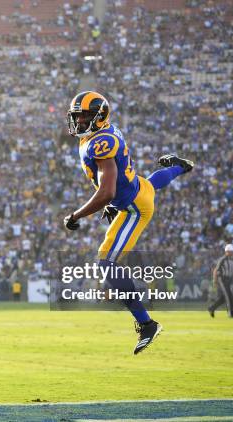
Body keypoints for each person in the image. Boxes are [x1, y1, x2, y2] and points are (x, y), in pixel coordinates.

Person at [63, 91, 194, 354]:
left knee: (106, 263)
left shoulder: (100, 143)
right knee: (152, 184)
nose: (79, 122)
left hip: (134, 208)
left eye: (86, 116)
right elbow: (116, 183)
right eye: (77, 116)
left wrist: (76, 215)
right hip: (137, 189)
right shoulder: (101, 133)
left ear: (100, 117)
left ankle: (146, 323)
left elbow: (108, 191)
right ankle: (180, 166)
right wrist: (112, 203)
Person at [207, 244, 233, 318]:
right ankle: (231, 314)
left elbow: (229, 271)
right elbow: (216, 270)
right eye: (231, 251)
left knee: (224, 298)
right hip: (223, 279)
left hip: (228, 279)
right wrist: (214, 280)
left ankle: (211, 308)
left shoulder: (231, 260)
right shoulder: (222, 259)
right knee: (229, 296)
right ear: (227, 251)